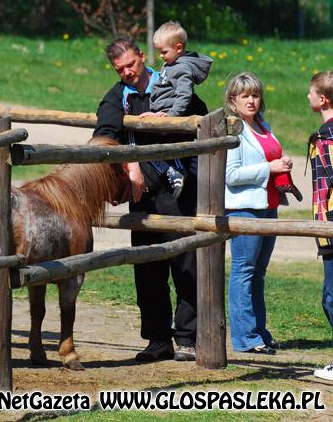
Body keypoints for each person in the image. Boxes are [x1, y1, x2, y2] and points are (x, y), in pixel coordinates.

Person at [94, 35, 207, 363]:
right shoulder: (118, 97)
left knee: (186, 264)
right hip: (141, 195)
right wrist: (130, 165)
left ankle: (188, 338)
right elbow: (104, 135)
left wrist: (166, 121)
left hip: (179, 189)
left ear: (143, 56)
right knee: (148, 268)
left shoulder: (172, 81)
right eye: (120, 69)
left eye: (131, 64)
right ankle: (158, 340)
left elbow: (199, 121)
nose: (127, 72)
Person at [224, 72, 293, 355]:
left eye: (255, 95)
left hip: (269, 207)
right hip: (245, 209)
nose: (251, 101)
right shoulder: (234, 130)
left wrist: (282, 161)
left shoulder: (263, 126)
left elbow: (269, 156)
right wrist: (270, 168)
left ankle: (260, 332)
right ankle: (245, 338)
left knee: (258, 273)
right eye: (245, 96)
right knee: (244, 271)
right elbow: (231, 175)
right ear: (233, 101)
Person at [139, 21, 212, 198]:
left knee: (150, 147)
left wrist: (171, 115)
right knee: (147, 146)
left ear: (178, 48)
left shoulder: (182, 68)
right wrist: (155, 112)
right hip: (162, 113)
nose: (161, 56)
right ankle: (173, 171)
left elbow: (183, 96)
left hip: (170, 116)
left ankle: (176, 170)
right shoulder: (170, 65)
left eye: (164, 52)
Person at [307, 71, 333, 380]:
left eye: (311, 93)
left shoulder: (327, 137)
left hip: (330, 226)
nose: (308, 98)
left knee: (331, 297)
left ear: (322, 99)